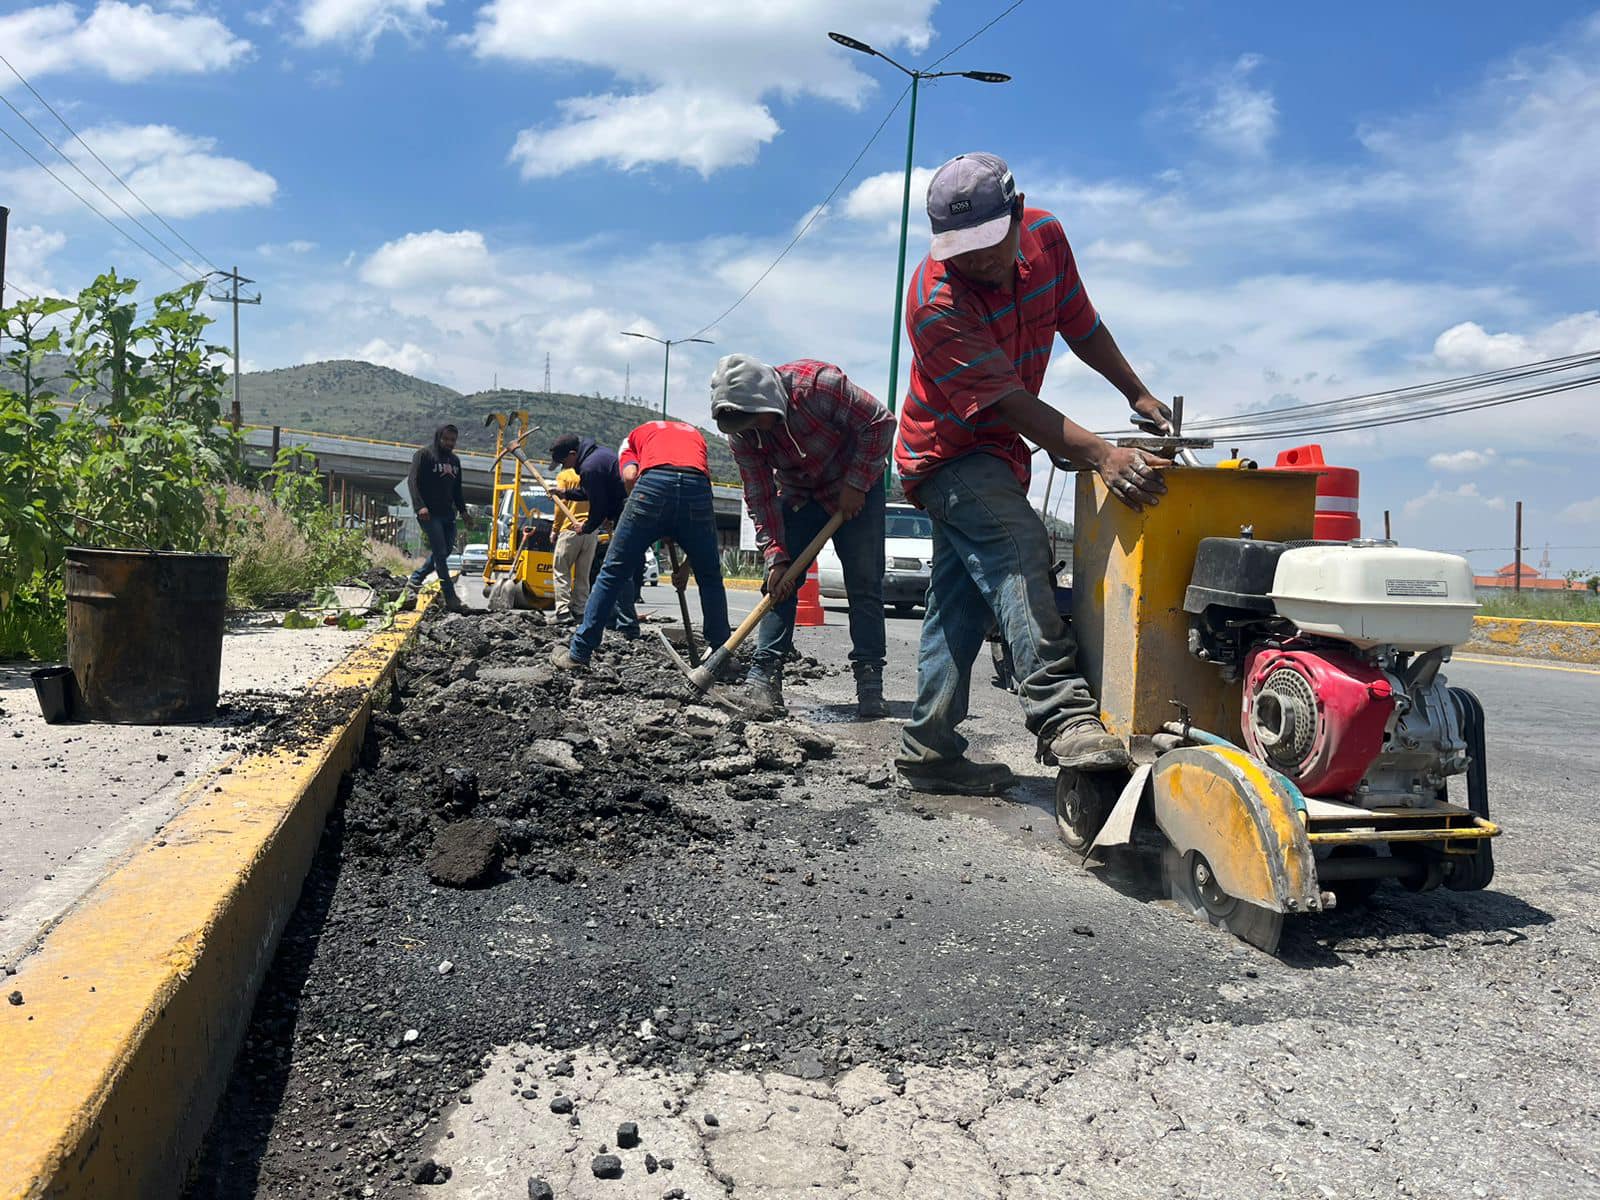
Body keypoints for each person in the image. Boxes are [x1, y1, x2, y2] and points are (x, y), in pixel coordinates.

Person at [893, 151, 1173, 796]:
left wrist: (1137, 393)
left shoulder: (1047, 237)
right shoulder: (935, 300)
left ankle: (927, 753)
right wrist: (1105, 453)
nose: (979, 261)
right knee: (1020, 546)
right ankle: (1062, 714)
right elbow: (1008, 405)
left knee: (957, 606)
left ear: (1018, 215)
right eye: (961, 249)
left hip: (998, 453)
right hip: (947, 454)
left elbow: (1083, 324)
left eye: (990, 244)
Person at [710, 353, 895, 719]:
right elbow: (760, 496)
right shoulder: (744, 435)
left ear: (770, 401)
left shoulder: (819, 387)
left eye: (757, 422)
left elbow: (880, 423)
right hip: (800, 494)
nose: (756, 432)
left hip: (855, 487)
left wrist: (857, 482)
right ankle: (763, 679)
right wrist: (775, 554)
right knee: (780, 581)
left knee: (864, 585)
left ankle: (870, 683)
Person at [551, 420, 732, 669]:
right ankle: (722, 655)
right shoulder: (695, 436)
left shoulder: (634, 437)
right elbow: (699, 492)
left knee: (612, 573)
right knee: (710, 577)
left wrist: (653, 517)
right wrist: (680, 545)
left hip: (652, 486)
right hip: (697, 488)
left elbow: (630, 475)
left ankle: (579, 652)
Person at [547, 433, 633, 633]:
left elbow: (599, 504)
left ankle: (624, 624)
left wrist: (585, 527)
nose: (564, 466)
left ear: (572, 453)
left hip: (604, 519)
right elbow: (590, 492)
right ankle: (582, 610)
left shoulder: (589, 466)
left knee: (613, 568)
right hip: (602, 525)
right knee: (585, 574)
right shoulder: (597, 456)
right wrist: (565, 493)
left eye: (563, 461)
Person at [404, 423, 469, 612]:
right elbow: (412, 481)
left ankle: (416, 578)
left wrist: (463, 512)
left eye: (453, 440)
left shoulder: (455, 461)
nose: (449, 443)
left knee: (446, 550)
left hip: (448, 514)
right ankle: (451, 597)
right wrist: (420, 506)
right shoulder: (424, 455)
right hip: (429, 514)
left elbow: (457, 489)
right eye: (446, 439)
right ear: (438, 437)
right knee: (440, 553)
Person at [548, 459, 595, 625]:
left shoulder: (564, 476)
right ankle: (580, 611)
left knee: (561, 570)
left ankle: (562, 612)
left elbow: (560, 505)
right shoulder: (589, 475)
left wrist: (555, 529)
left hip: (570, 529)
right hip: (590, 530)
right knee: (583, 574)